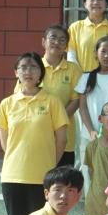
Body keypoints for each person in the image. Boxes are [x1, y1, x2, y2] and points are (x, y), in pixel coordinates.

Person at [0, 53, 69, 215]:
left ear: (40, 73)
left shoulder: (52, 101)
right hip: (13, 176)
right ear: (16, 72)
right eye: (23, 67)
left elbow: (61, 139)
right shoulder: (7, 104)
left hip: (42, 178)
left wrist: (49, 164)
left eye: (33, 67)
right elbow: (5, 142)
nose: (28, 71)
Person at [37, 25, 82, 167]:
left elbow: (76, 100)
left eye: (62, 40)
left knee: (62, 177)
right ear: (43, 42)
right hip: (37, 133)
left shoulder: (73, 69)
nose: (57, 42)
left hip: (64, 134)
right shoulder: (34, 66)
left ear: (66, 47)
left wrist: (57, 122)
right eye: (53, 38)